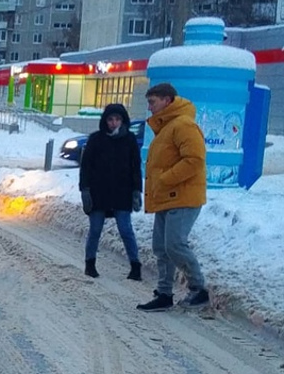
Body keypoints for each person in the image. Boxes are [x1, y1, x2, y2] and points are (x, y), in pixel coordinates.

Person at [137, 82, 209, 312]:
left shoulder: (183, 125)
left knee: (175, 244)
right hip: (166, 197)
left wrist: (165, 179)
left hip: (183, 196)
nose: (149, 108)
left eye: (152, 102)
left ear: (167, 101)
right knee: (161, 247)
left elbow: (194, 160)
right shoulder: (167, 127)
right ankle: (164, 294)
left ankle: (199, 289)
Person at [79, 103, 143, 281]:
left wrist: (137, 190)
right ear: (105, 121)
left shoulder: (129, 140)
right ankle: (90, 264)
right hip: (98, 193)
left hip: (122, 192)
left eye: (117, 119)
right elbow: (85, 167)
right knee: (95, 229)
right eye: (110, 119)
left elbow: (136, 168)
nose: (114, 123)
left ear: (123, 120)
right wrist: (84, 190)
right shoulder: (96, 139)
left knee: (125, 229)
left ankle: (135, 266)